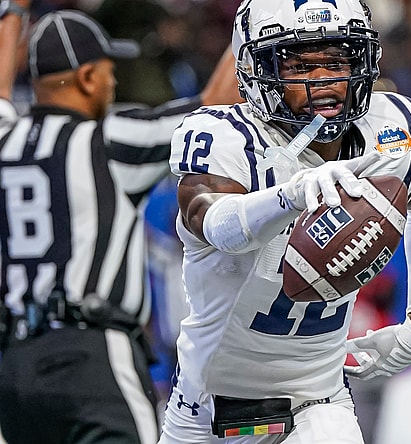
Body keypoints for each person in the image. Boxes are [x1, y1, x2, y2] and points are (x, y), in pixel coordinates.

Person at [157, 0, 411, 442]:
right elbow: (214, 223)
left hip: (319, 399)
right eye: (299, 64)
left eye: (337, 60)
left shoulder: (388, 130)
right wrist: (288, 196)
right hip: (211, 410)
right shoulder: (228, 138)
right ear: (256, 70)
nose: (325, 82)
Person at [0, 6, 240, 444]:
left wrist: (13, 15)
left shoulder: (5, 140)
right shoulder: (109, 140)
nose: (114, 83)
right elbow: (215, 107)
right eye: (109, 71)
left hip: (14, 365)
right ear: (88, 78)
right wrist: (260, 14)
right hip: (92, 353)